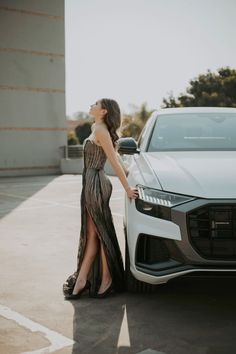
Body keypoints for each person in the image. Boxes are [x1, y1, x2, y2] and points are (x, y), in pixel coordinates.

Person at [63, 98, 139, 300]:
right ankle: (85, 279)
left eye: (95, 103)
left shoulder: (101, 130)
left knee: (100, 231)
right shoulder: (96, 127)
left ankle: (103, 280)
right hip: (90, 181)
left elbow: (112, 160)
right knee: (92, 233)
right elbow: (115, 154)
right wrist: (128, 171)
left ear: (104, 111)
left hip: (96, 183)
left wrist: (127, 188)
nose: (91, 105)